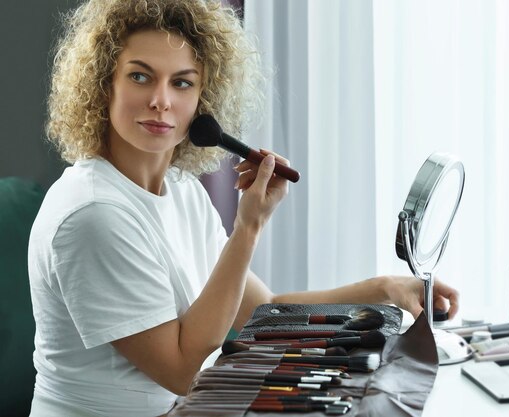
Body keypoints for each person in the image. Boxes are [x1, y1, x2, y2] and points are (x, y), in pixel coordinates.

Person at [28, 0, 460, 416]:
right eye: (140, 77)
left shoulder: (182, 191)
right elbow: (181, 369)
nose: (161, 100)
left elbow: (264, 309)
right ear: (104, 85)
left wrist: (385, 288)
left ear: (203, 101)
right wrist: (247, 228)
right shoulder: (93, 214)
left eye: (182, 82)